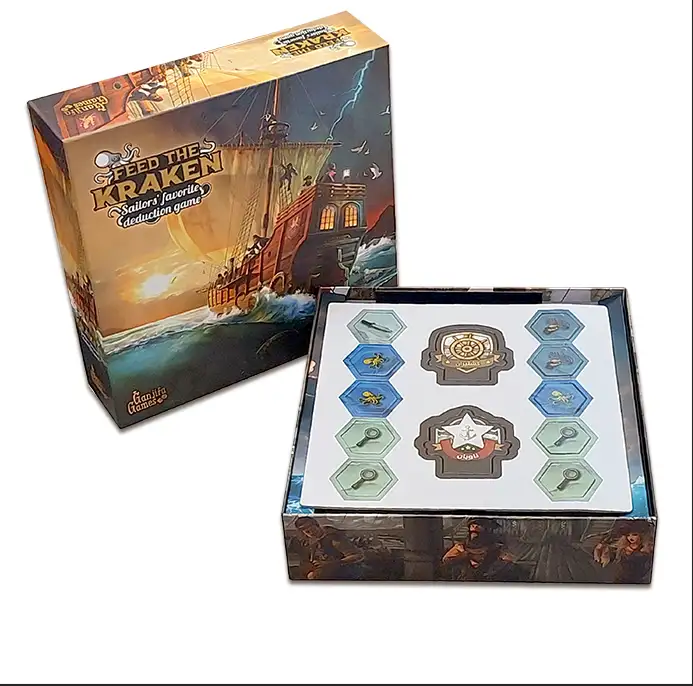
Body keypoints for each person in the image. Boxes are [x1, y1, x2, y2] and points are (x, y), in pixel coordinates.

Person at [291, 517, 365, 580]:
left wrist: (331, 563)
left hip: (342, 569)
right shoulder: (307, 539)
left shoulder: (334, 538)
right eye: (307, 532)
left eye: (313, 529)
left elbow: (358, 556)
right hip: (320, 566)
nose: (311, 533)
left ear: (317, 525)